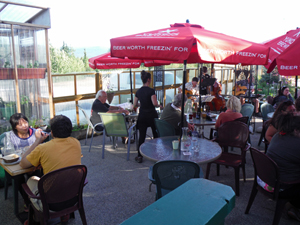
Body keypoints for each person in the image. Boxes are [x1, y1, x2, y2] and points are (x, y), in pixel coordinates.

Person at [20, 115, 82, 223]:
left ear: (52, 132)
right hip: (73, 197)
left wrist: (38, 141)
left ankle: (35, 218)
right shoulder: (76, 142)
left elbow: (23, 164)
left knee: (31, 180)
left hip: (51, 202)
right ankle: (65, 214)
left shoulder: (43, 148)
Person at [266, 113, 300, 221]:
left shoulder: (278, 136)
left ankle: (293, 207)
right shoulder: (296, 144)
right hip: (283, 187)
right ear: (295, 130)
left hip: (268, 179)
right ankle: (295, 208)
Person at [133, 70, 161, 163]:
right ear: (149, 79)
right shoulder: (151, 90)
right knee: (155, 134)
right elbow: (154, 103)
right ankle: (156, 154)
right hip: (151, 115)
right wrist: (159, 105)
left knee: (142, 135)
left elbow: (135, 104)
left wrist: (143, 103)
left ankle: (139, 155)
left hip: (142, 115)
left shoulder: (138, 91)